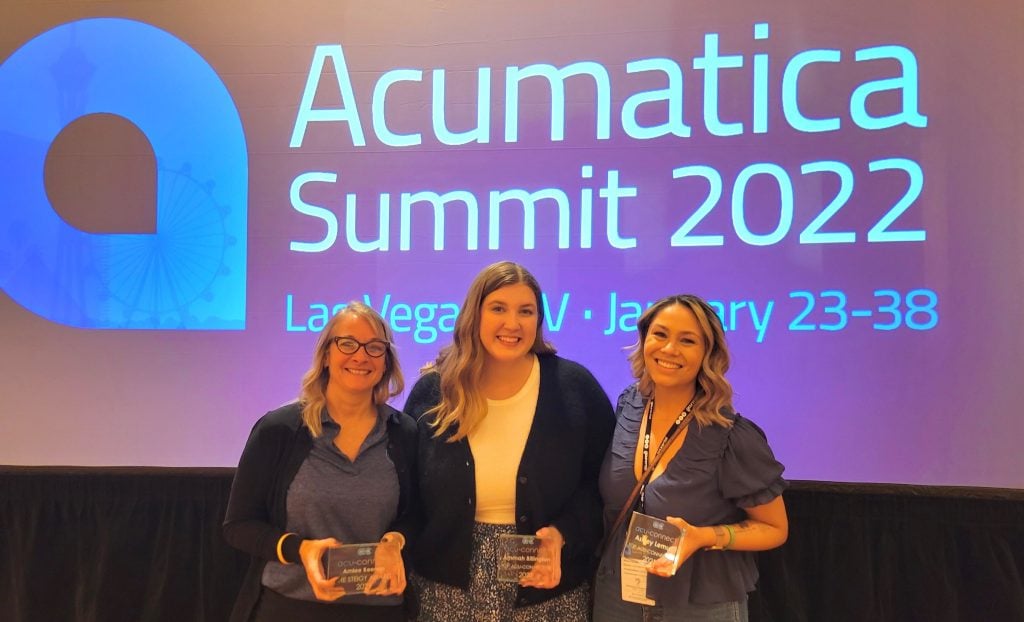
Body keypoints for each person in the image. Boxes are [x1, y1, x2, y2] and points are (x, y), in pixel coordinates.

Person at [404, 260, 616, 621]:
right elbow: (407, 493)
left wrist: (563, 534)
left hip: (547, 585)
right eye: (498, 308)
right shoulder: (435, 391)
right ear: (475, 314)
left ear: (538, 320)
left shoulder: (575, 388)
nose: (512, 323)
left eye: (526, 311)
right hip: (446, 588)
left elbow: (600, 487)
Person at [593, 294, 789, 622]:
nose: (670, 349)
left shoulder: (731, 436)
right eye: (660, 334)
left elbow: (774, 528)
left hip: (699, 605)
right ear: (644, 340)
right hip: (618, 597)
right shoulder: (629, 405)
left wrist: (704, 537)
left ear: (707, 354)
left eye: (687, 340)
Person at [223, 302, 417, 622]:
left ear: (386, 361)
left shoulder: (404, 433)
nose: (361, 356)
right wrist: (300, 549)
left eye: (374, 347)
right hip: (289, 608)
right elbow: (239, 526)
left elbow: (418, 516)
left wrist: (395, 542)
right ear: (326, 354)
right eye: (347, 343)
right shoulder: (279, 430)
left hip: (380, 610)